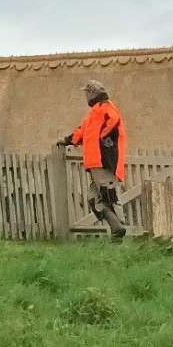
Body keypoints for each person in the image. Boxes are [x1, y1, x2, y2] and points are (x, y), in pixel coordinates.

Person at [62, 81, 127, 240]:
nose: (85, 96)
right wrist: (67, 140)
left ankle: (120, 233)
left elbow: (114, 120)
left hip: (104, 160)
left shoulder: (106, 107)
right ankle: (117, 229)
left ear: (91, 93)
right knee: (93, 199)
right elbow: (81, 131)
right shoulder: (94, 113)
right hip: (94, 162)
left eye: (86, 93)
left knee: (109, 195)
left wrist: (103, 138)